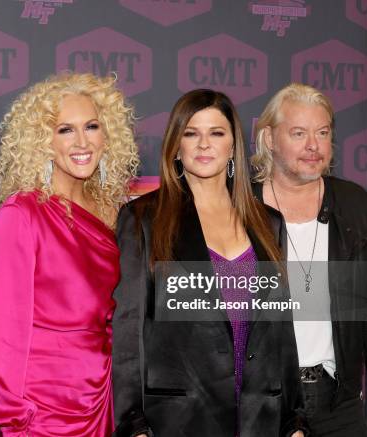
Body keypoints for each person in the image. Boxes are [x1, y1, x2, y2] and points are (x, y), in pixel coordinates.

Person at [112, 89, 306, 437]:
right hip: (179, 420)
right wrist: (133, 423)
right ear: (176, 146)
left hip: (259, 418)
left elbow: (281, 330)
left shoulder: (268, 223)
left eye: (216, 133)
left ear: (233, 146)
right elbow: (128, 332)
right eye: (191, 133)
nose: (204, 144)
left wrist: (295, 418)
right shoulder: (143, 218)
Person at [0, 72, 139, 436]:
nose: (82, 142)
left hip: (104, 397)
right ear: (42, 141)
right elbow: (4, 334)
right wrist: (12, 417)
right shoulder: (20, 216)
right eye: (65, 130)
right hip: (41, 411)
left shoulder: (116, 213)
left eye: (92, 126)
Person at [251, 82, 367, 437]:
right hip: (262, 401)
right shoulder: (241, 209)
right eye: (299, 133)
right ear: (270, 139)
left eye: (322, 132)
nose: (313, 146)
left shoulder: (354, 205)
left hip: (338, 403)